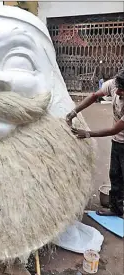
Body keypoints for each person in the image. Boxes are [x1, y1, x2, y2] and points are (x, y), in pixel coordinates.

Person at [66, 68, 124, 217]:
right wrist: (74, 111)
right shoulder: (113, 85)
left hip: (120, 137)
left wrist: (88, 134)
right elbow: (94, 96)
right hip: (118, 141)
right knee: (115, 175)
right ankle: (116, 209)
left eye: (122, 91)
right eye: (118, 89)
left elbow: (114, 129)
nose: (117, 93)